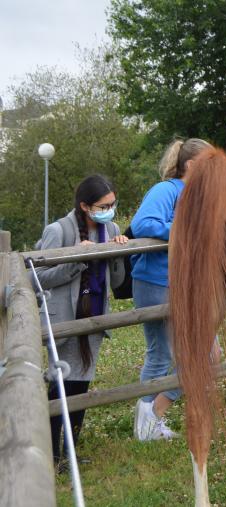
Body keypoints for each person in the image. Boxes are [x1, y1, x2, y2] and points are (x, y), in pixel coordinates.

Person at [35, 174, 128, 470]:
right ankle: (51, 454)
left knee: (81, 386)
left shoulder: (111, 228)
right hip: (64, 318)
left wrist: (117, 252)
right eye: (103, 206)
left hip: (95, 316)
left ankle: (70, 452)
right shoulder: (58, 231)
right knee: (61, 386)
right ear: (85, 206)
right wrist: (77, 259)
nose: (109, 210)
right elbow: (37, 278)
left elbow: (117, 281)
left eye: (112, 204)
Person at [131, 138, 210, 441]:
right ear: (191, 165)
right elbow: (143, 224)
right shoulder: (166, 190)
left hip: (188, 284)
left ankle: (153, 415)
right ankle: (145, 425)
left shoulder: (201, 196)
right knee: (161, 353)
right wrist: (187, 229)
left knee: (209, 353)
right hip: (156, 281)